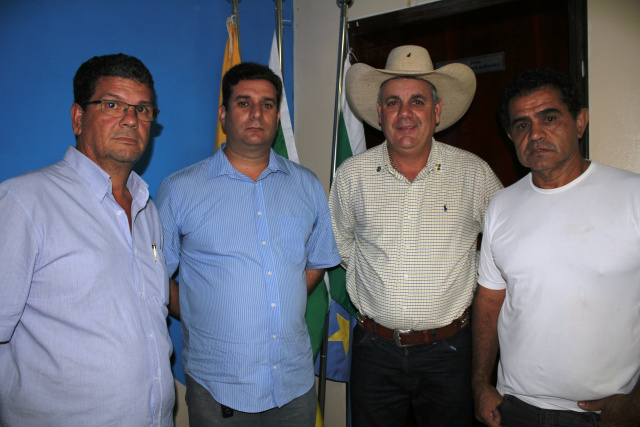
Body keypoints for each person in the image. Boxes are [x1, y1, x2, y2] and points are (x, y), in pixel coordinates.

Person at [155, 62, 340, 427]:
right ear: (224, 114)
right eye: (244, 103)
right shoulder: (180, 190)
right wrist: (197, 310)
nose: (257, 113)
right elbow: (154, 278)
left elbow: (317, 261)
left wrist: (275, 295)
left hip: (293, 383)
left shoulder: (307, 186)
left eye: (268, 104)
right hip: (219, 385)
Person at [329, 45, 503, 426]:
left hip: (449, 354)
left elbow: (505, 249)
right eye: (393, 102)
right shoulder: (351, 176)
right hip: (374, 352)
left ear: (437, 112)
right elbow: (341, 243)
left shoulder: (474, 175)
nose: (404, 113)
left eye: (417, 102)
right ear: (379, 113)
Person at [0, 54, 174, 427]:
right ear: (78, 118)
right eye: (113, 104)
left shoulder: (148, 210)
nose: (131, 119)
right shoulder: (25, 202)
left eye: (142, 109)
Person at [472, 67, 640, 427]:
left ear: (580, 122)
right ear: (511, 136)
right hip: (513, 408)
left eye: (549, 118)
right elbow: (489, 301)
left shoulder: (632, 196)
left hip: (602, 414)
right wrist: (480, 384)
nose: (535, 134)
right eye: (521, 125)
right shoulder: (501, 206)